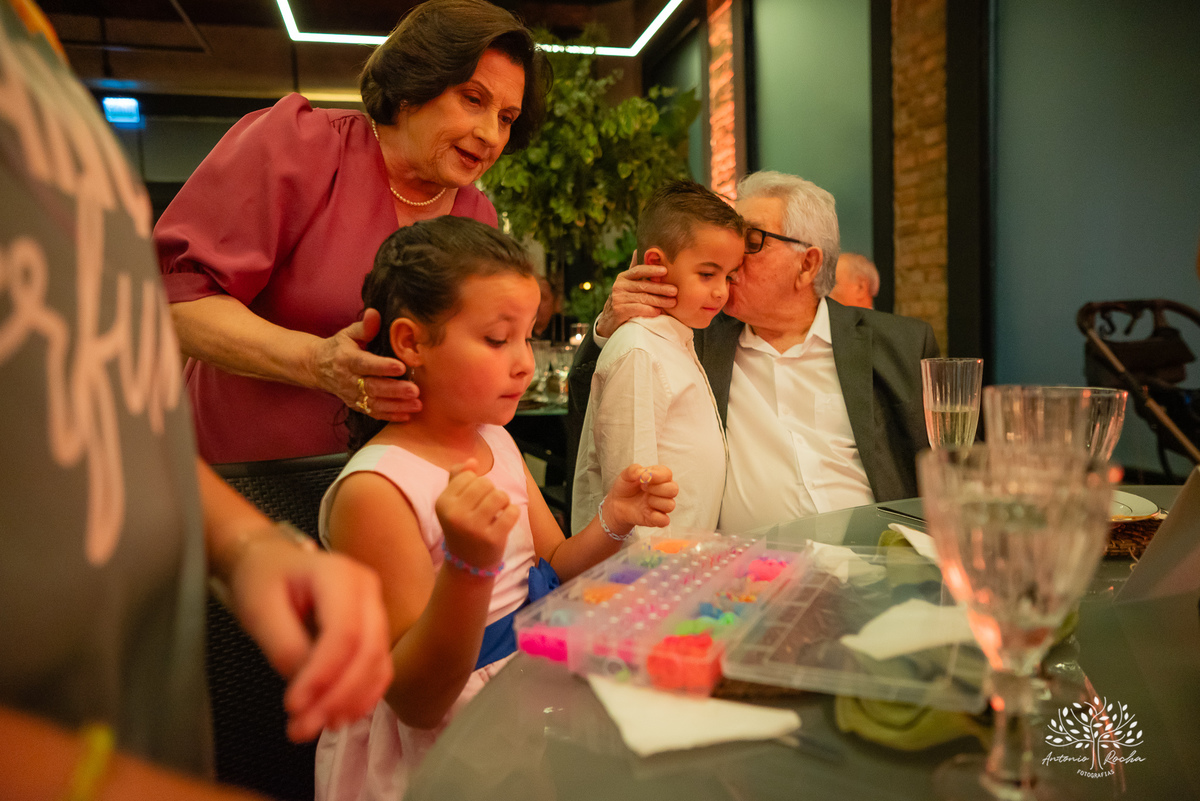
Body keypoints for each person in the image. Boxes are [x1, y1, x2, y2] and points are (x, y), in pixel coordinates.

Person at [0, 2, 394, 798]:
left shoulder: (28, 37)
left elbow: (98, 398)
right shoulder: (301, 142)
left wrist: (245, 545)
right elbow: (181, 303)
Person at [314, 217, 677, 799]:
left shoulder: (495, 441)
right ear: (411, 343)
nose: (524, 363)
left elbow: (554, 563)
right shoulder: (377, 490)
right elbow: (417, 701)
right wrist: (469, 565)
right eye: (495, 339)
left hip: (518, 705)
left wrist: (615, 517)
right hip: (438, 753)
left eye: (527, 337)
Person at [154, 0, 551, 464]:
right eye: (473, 99)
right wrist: (316, 363)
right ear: (412, 88)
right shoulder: (303, 146)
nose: (490, 134)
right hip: (240, 475)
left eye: (506, 118)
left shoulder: (476, 214)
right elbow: (173, 302)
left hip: (391, 486)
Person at [570, 171, 939, 534]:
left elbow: (948, 471)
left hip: (875, 567)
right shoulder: (692, 336)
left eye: (751, 241)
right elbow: (597, 419)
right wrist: (607, 326)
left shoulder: (900, 346)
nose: (732, 259)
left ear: (807, 264)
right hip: (746, 578)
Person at [572, 180, 744, 535]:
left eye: (729, 276)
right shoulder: (639, 351)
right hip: (646, 576)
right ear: (655, 264)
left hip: (684, 569)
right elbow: (633, 501)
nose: (721, 291)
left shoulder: (677, 338)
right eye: (708, 273)